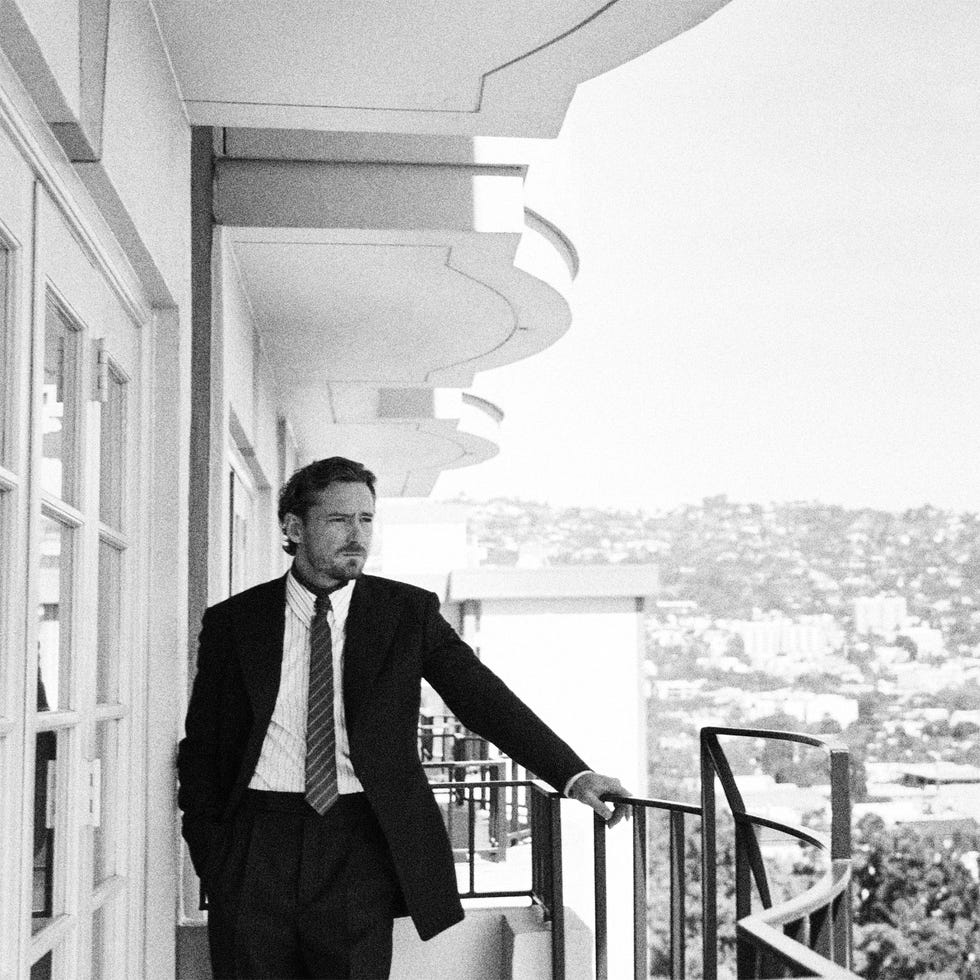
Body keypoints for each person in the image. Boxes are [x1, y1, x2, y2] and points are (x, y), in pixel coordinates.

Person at [177, 457, 630, 979]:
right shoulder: (235, 622)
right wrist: (216, 854)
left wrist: (572, 775)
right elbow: (203, 747)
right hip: (257, 843)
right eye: (339, 520)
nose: (357, 535)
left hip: (358, 843)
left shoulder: (406, 613)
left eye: (366, 520)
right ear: (294, 527)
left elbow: (485, 700)